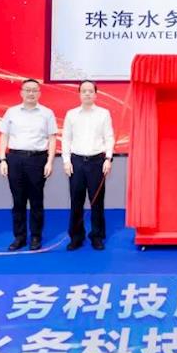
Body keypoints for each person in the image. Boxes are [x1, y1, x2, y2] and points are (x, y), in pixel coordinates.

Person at [0, 78, 57, 251]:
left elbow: (52, 138)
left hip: (38, 159)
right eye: (27, 90)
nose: (31, 93)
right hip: (15, 159)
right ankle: (20, 237)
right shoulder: (11, 112)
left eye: (34, 90)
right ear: (21, 92)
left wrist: (50, 162)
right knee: (18, 200)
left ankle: (36, 236)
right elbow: (4, 136)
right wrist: (2, 159)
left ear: (39, 93)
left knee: (36, 200)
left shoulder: (47, 113)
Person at [61, 80, 114, 251]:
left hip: (97, 162)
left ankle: (97, 236)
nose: (87, 94)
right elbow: (66, 138)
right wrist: (66, 161)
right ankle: (76, 237)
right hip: (76, 162)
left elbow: (109, 137)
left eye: (90, 91)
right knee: (76, 201)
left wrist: (108, 158)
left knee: (96, 201)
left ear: (96, 94)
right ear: (79, 94)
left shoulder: (104, 114)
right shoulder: (71, 114)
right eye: (84, 91)